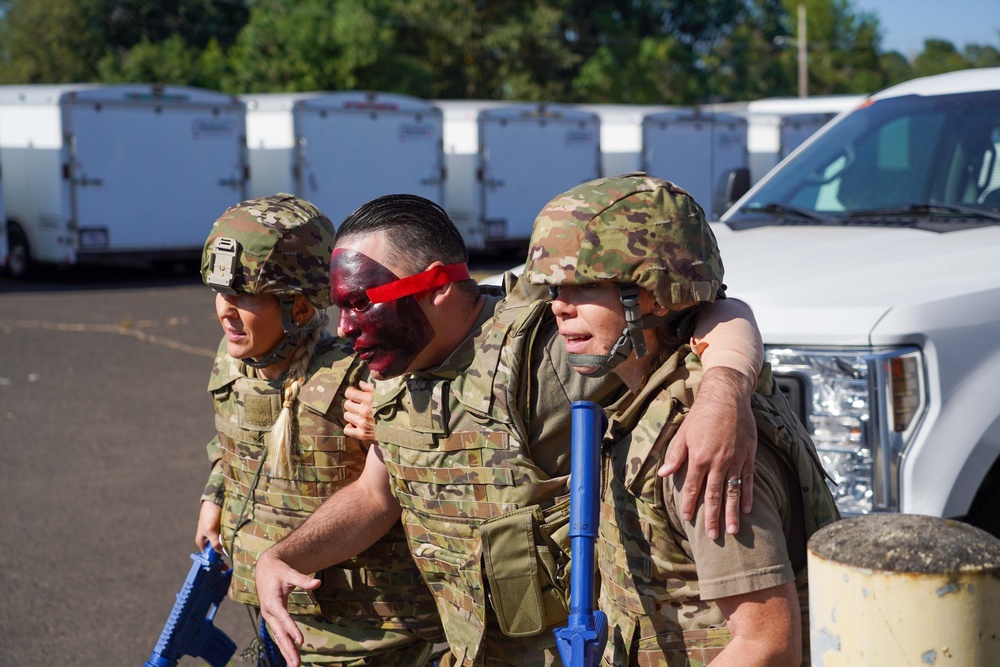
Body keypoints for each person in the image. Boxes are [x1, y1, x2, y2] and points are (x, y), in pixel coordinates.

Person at [255, 193, 767, 667]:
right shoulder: (396, 363)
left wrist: (724, 389)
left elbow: (713, 311)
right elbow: (374, 494)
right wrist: (281, 557)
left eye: (361, 302)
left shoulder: (541, 353)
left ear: (433, 286)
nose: (344, 328)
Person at [523, 174, 841, 666]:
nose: (560, 306)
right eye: (555, 287)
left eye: (586, 286)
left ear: (657, 297)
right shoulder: (662, 395)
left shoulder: (698, 446)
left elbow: (767, 643)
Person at [194, 193, 443, 666]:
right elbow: (233, 446)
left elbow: (429, 464)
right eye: (221, 294)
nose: (226, 310)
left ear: (301, 309)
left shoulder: (360, 375)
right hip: (277, 611)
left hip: (363, 630)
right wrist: (214, 499)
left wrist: (391, 424)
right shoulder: (233, 365)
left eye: (246, 297)